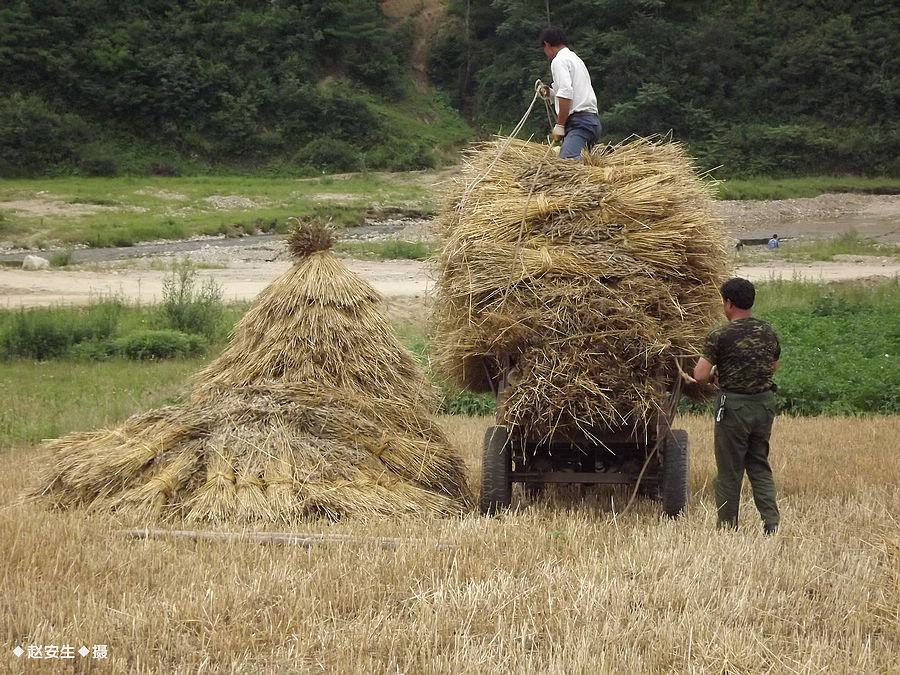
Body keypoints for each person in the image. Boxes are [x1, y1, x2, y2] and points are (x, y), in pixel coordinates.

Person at [692, 277, 781, 535]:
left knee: (729, 471)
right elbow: (772, 367)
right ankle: (771, 522)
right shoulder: (769, 331)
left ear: (728, 303)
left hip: (734, 408)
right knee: (759, 465)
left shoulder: (720, 335)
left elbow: (699, 375)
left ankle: (728, 526)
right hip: (764, 405)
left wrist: (716, 374)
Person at [537, 27, 602, 160]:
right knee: (583, 162)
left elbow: (566, 93)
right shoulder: (575, 59)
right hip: (592, 122)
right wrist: (550, 94)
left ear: (547, 44)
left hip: (580, 123)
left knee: (568, 163)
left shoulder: (559, 61)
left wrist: (560, 125)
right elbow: (575, 92)